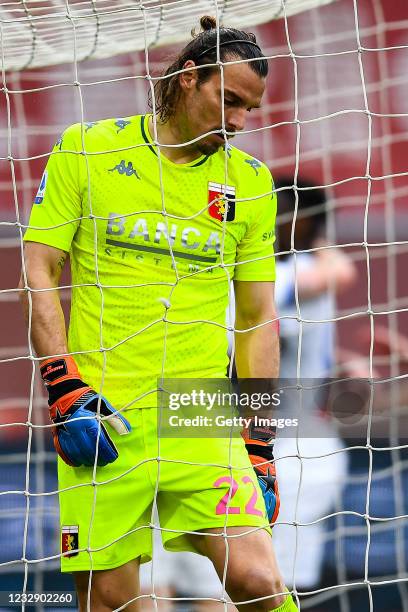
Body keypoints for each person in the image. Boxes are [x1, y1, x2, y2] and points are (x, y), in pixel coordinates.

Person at [19, 16, 298, 612]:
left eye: (250, 110)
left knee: (261, 583)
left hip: (196, 407)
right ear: (188, 79)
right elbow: (38, 271)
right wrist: (61, 385)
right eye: (230, 101)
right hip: (104, 406)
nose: (239, 123)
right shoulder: (88, 149)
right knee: (114, 605)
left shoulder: (249, 184)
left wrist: (260, 443)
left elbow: (256, 317)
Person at [271, 177, 355, 590]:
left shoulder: (280, 274)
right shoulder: (313, 268)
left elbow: (338, 272)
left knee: (247, 589)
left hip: (281, 452)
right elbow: (340, 270)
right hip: (300, 447)